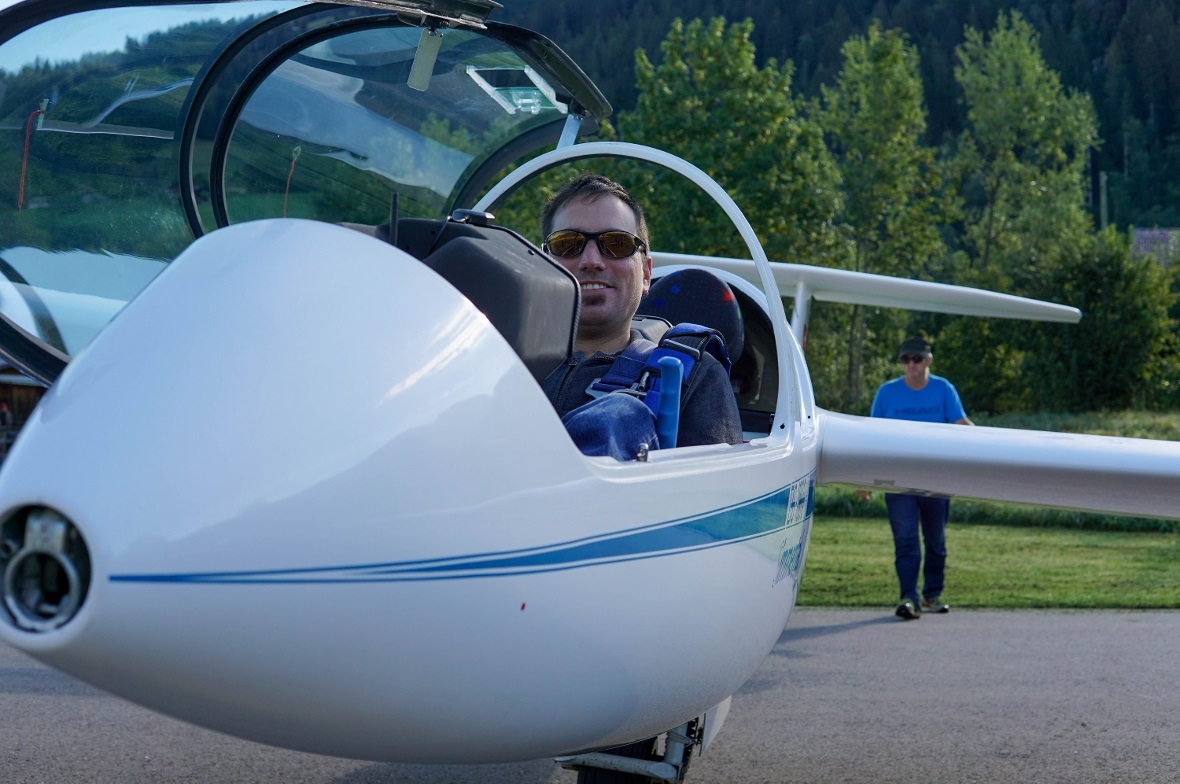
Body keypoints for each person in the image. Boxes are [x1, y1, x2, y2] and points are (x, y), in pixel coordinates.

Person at [539, 173, 743, 459]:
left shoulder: (695, 377)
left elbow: (719, 498)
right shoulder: (493, 365)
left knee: (619, 415)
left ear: (646, 274)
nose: (591, 261)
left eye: (617, 243)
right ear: (542, 264)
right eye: (568, 244)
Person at [866, 336, 973, 620]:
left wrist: (982, 442)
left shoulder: (944, 389)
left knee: (936, 541)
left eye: (915, 359)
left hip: (937, 481)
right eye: (905, 360)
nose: (910, 365)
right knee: (906, 540)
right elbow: (871, 437)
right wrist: (865, 479)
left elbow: (962, 425)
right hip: (897, 480)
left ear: (928, 360)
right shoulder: (886, 393)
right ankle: (909, 599)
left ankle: (931, 595)